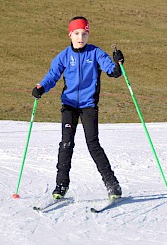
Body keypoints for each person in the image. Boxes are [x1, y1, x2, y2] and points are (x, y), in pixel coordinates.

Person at [31, 16, 124, 200]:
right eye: (77, 33)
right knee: (66, 144)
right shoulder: (64, 56)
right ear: (70, 35)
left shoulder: (95, 53)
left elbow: (111, 70)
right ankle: (61, 185)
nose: (81, 37)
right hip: (69, 106)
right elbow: (52, 76)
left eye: (84, 33)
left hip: (89, 105)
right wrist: (41, 87)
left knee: (93, 145)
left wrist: (117, 65)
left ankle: (112, 185)